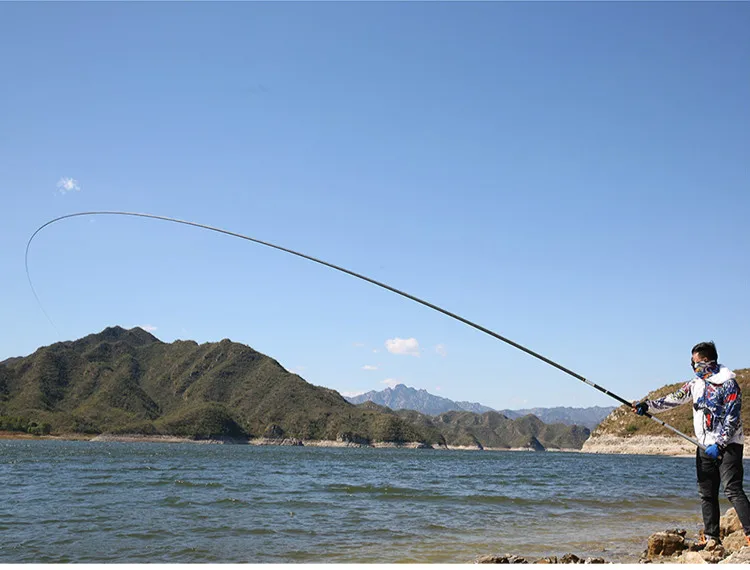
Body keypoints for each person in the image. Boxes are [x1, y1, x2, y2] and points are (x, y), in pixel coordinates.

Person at [632, 341, 750, 548]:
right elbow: (672, 399)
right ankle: (712, 537)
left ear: (706, 361)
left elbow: (732, 418)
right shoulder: (695, 384)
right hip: (704, 447)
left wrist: (720, 444)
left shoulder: (729, 383)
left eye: (695, 362)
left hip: (729, 445)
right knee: (707, 493)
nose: (693, 366)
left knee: (732, 489)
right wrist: (647, 406)